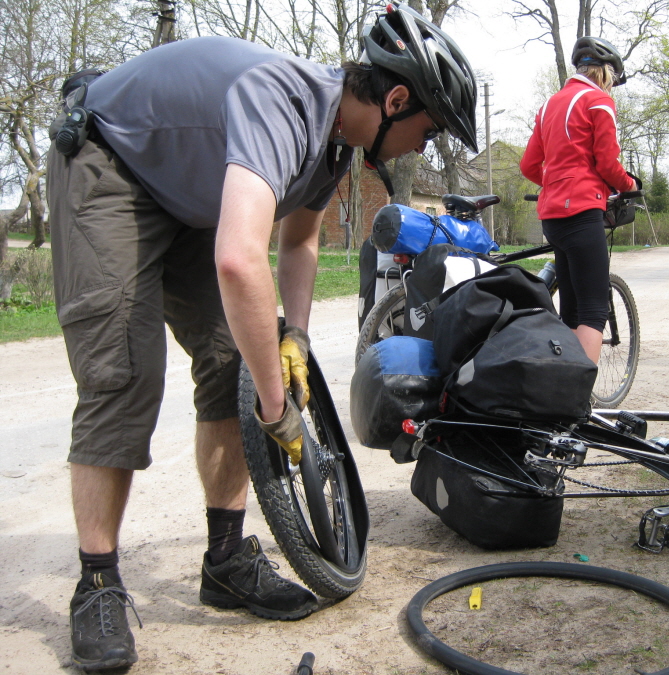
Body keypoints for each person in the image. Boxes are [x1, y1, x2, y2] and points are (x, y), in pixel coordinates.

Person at [46, 4, 477, 671]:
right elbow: (239, 260)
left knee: (230, 363)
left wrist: (292, 342)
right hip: (111, 164)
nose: (427, 143)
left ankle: (225, 561)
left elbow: (298, 239)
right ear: (395, 99)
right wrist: (277, 410)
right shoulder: (284, 101)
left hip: (183, 196)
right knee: (124, 372)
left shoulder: (338, 145)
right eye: (430, 126)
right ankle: (97, 581)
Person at [520, 37, 637, 364]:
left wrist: (558, 183)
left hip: (553, 217)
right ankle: (579, 396)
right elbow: (607, 164)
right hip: (583, 213)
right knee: (594, 308)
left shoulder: (548, 106)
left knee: (571, 308)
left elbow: (529, 165)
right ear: (603, 73)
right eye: (612, 79)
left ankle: (564, 383)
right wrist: (629, 187)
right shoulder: (598, 101)